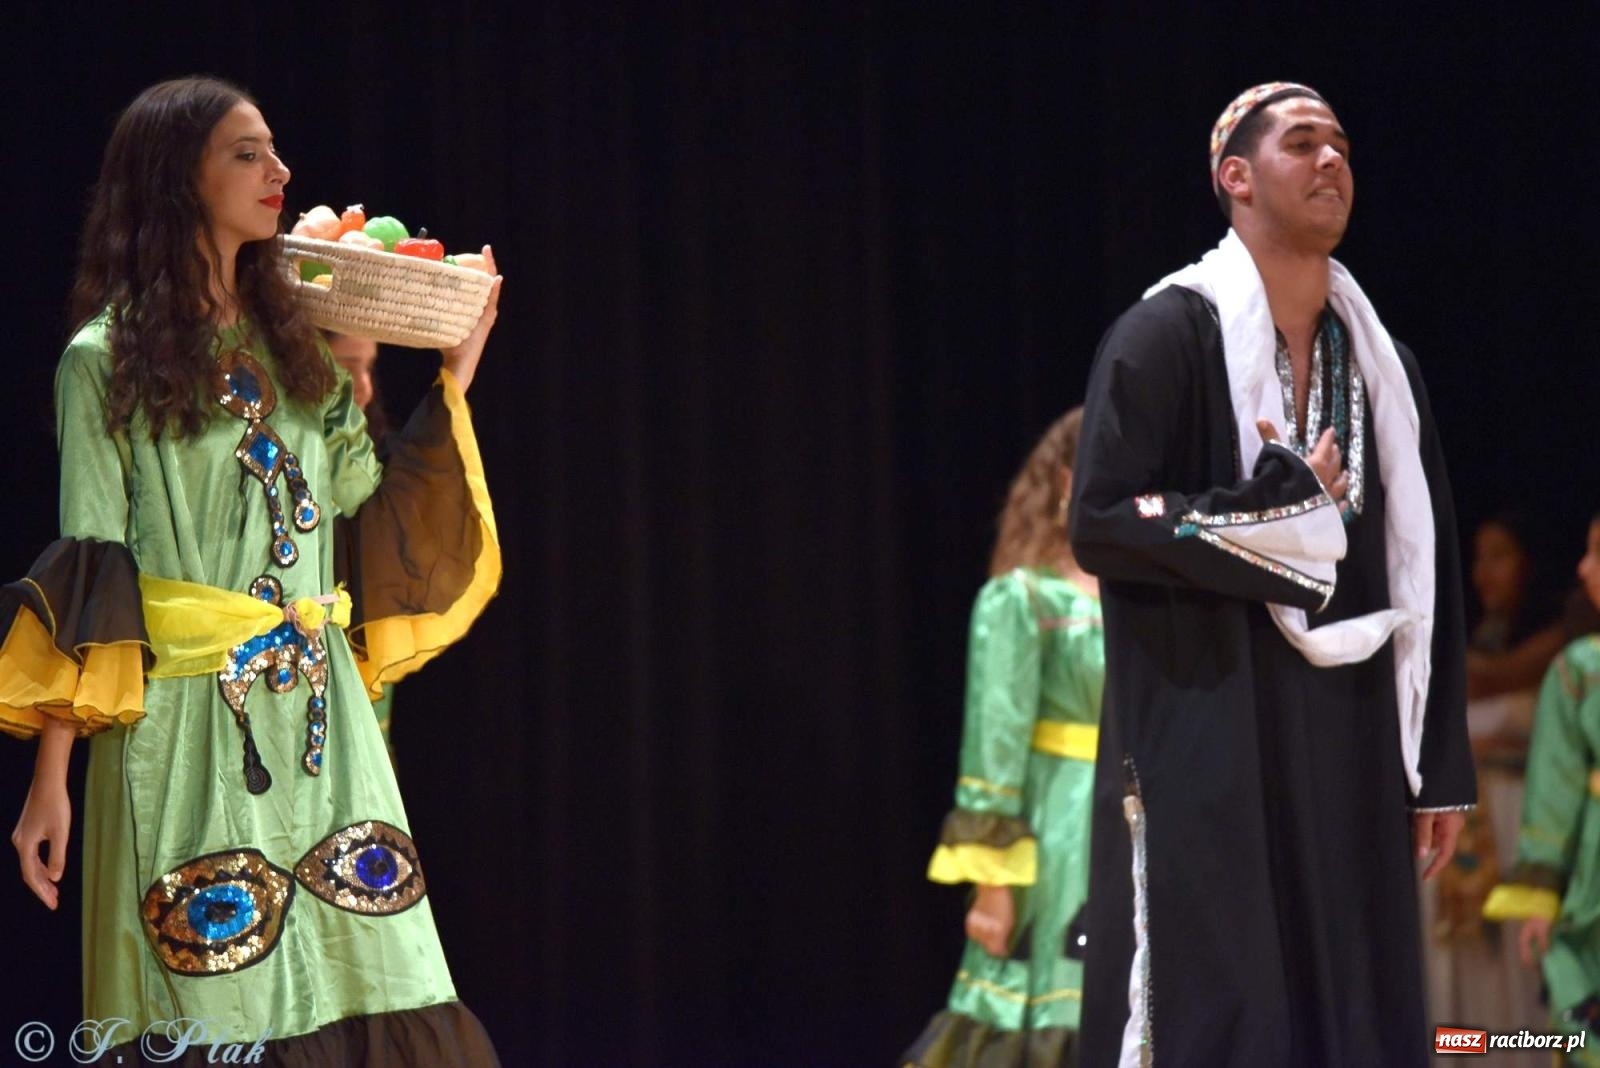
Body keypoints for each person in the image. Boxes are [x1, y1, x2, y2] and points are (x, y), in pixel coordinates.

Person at [1, 77, 503, 1064]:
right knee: (216, 984)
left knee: (378, 967)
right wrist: (50, 781)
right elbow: (92, 573)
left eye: (273, 150)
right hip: (188, 724)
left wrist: (442, 368)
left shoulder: (294, 345)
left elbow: (364, 506)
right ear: (175, 177)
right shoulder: (103, 361)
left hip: (321, 726)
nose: (279, 170)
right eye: (246, 153)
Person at [1068, 82, 1474, 1066]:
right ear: (1235, 177)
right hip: (1209, 726)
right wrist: (1273, 515)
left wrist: (1439, 770)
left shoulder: (1380, 363)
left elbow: (1426, 568)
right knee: (1225, 1010)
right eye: (1302, 143)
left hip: (1352, 734)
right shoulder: (1164, 335)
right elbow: (1100, 522)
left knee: (1354, 1011)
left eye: (1341, 144)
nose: (1332, 159)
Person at [902, 408, 1103, 1067]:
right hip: (1058, 832)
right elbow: (995, 745)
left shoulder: (1145, 596)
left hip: (1133, 824)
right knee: (1054, 1012)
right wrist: (994, 886)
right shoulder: (1027, 600)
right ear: (1068, 480)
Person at [1423, 514, 1559, 1058]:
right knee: (1463, 963)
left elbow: (1490, 679)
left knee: (1516, 960)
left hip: (1521, 818)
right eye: (1478, 558)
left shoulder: (1556, 647)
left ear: (1530, 563)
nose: (1484, 571)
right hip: (1466, 821)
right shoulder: (1478, 639)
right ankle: (1468, 1053)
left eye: (1499, 556)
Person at [1483, 513, 1600, 1066]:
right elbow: (1556, 791)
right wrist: (1540, 901)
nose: (1583, 568)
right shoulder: (1581, 671)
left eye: (1597, 552)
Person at [324, 330, 397, 758]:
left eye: (369, 368)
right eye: (348, 369)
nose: (365, 388)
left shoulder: (370, 465)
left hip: (356, 663)